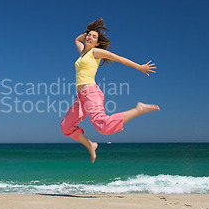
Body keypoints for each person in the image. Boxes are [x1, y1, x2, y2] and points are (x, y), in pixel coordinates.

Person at [60, 18, 160, 163]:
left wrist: (139, 67)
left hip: (91, 94)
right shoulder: (82, 53)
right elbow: (77, 39)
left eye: (94, 37)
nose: (89, 37)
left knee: (103, 127)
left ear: (98, 43)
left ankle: (139, 109)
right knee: (66, 127)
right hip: (80, 98)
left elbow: (118, 58)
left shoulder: (95, 52)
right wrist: (89, 32)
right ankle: (90, 145)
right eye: (89, 35)